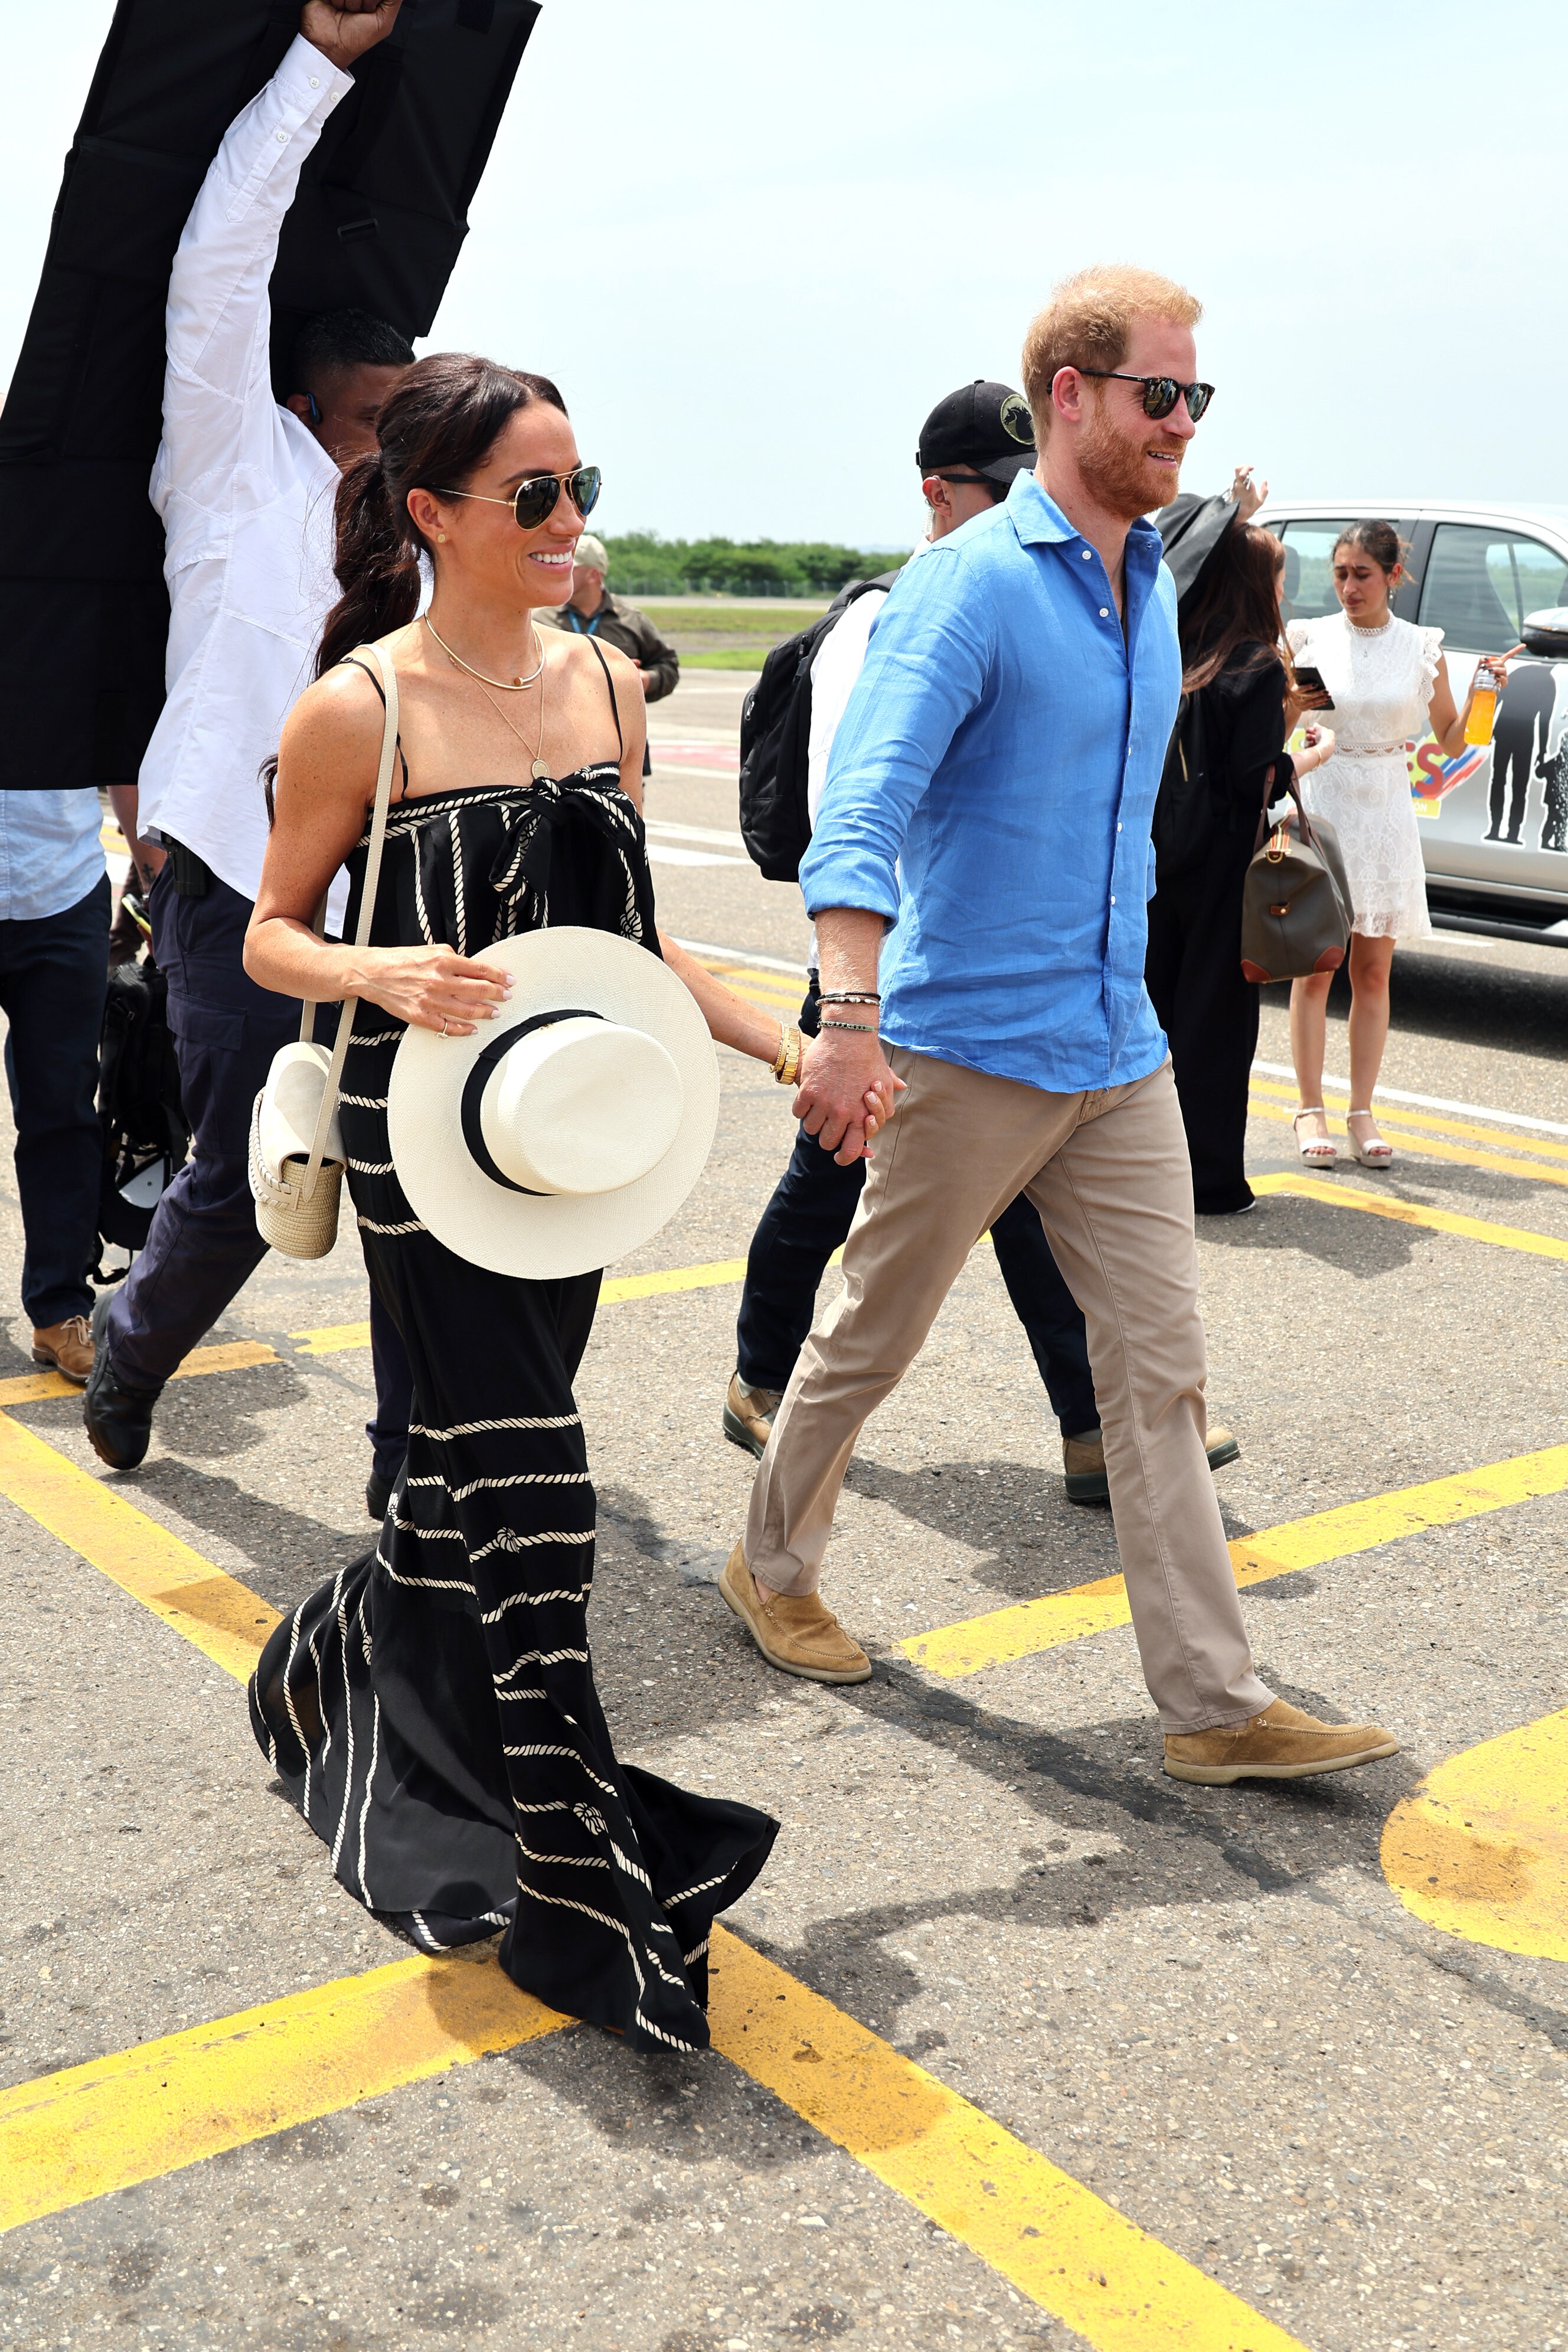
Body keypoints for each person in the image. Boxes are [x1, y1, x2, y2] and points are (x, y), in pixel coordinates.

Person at [240, 352, 861, 2044]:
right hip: (417, 1147)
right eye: (535, 495)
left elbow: (635, 941)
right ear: (432, 513)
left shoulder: (609, 685)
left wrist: (781, 1046)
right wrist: (383, 972)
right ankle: (585, 1894)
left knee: (461, 1488)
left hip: (572, 1142)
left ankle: (340, 1669)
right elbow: (267, 932)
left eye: (582, 488)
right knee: (537, 1499)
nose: (570, 522)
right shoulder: (357, 708)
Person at [720, 263, 1399, 1789]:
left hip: (1119, 1051)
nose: (1182, 422)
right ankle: (771, 1563)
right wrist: (846, 1018)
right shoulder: (969, 588)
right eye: (1161, 394)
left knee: (1158, 1374)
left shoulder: (1150, 580)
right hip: (965, 1048)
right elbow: (865, 812)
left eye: (1197, 398)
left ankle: (1215, 1700)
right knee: (869, 1337)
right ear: (1070, 399)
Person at [727, 378, 1237, 1504]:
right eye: (993, 488)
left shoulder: (1076, 591)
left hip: (1032, 998)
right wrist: (850, 1010)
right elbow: (854, 811)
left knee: (1002, 1219)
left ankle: (1094, 1423)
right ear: (936, 493)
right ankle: (763, 1379)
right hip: (892, 967)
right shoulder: (906, 611)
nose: (1020, 505)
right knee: (834, 1200)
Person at [84, 0, 417, 1514]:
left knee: (427, 1185)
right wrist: (319, 70)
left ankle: (421, 1461)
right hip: (235, 879)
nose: (396, 459)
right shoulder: (233, 463)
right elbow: (218, 268)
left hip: (401, 893)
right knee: (236, 1177)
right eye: (376, 428)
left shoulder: (429, 529)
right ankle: (133, 1353)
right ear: (304, 409)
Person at [1287, 522, 1511, 1169]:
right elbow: (1290, 719)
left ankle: (1361, 1109)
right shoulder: (1310, 637)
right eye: (1339, 573)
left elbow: (1448, 739)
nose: (1349, 586)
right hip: (1324, 800)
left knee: (1373, 971)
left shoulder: (1421, 648)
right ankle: (1309, 1107)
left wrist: (1483, 698)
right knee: (1316, 968)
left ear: (1392, 576)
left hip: (1385, 806)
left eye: (1361, 573)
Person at [1145, 520, 1336, 1214]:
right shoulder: (1254, 662)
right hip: (1225, 866)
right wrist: (1307, 756)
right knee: (1214, 1028)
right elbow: (1253, 775)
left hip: (1160, 855)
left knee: (1156, 1015)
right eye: (1280, 575)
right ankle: (1209, 1180)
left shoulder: (1176, 647)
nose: (1285, 587)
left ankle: (1141, 1172)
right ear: (1256, 582)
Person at [0, 792, 110, 1380]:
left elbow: (124, 753)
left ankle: (60, 1308)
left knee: (63, 1110)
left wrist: (152, 874)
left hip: (62, 886)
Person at [538, 533, 678, 778]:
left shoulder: (632, 621)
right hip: (555, 744)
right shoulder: (540, 620)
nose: (561, 565)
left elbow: (668, 667)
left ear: (594, 575)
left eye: (572, 562)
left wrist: (644, 679)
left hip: (620, 747)